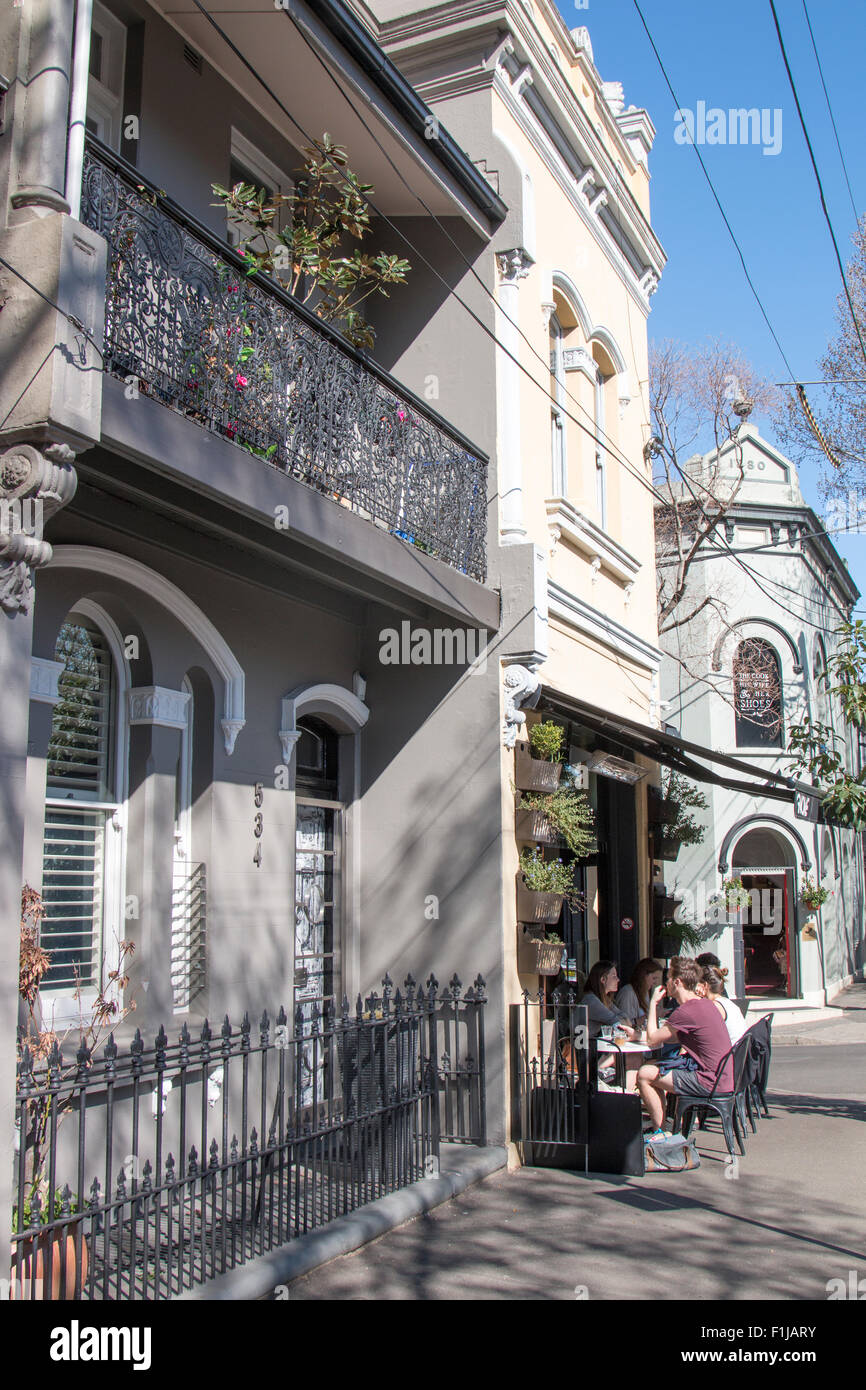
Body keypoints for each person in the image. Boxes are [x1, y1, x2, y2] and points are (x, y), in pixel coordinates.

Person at [636, 957, 735, 1140]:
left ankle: (660, 1131)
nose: (666, 983)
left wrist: (652, 1004)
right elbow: (672, 1038)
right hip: (722, 1077)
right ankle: (663, 1125)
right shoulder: (703, 1003)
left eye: (668, 979)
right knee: (652, 1065)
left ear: (677, 982)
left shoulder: (686, 1010)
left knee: (644, 1073)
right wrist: (636, 1036)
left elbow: (652, 1041)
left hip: (709, 1081)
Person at [579, 961, 636, 1039]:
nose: (618, 979)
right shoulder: (591, 1000)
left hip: (594, 1044)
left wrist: (623, 1020)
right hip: (584, 1047)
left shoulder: (604, 999)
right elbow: (617, 1023)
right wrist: (622, 1020)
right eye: (614, 976)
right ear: (603, 979)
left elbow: (626, 1019)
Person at [697, 965, 747, 1043]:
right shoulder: (727, 1002)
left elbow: (700, 1034)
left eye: (696, 984)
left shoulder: (714, 1006)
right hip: (738, 1051)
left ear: (705, 985)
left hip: (728, 1053)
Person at [615, 958, 663, 1027]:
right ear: (643, 976)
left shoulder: (645, 992)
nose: (655, 982)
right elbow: (625, 1024)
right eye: (654, 978)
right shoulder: (628, 992)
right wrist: (652, 1014)